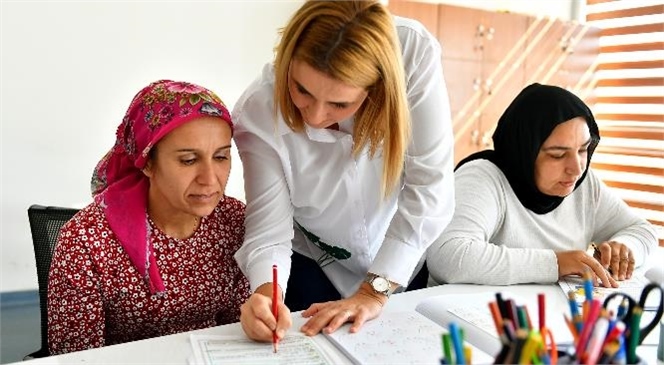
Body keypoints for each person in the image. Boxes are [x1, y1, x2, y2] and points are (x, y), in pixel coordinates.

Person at [233, 0, 454, 343]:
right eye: (301, 90)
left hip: (403, 251)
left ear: (377, 88)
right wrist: (266, 296)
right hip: (315, 261)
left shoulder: (413, 54)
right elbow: (269, 232)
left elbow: (430, 188)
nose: (315, 116)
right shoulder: (259, 109)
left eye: (340, 104)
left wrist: (374, 291)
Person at [47, 80, 250, 354]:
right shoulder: (86, 240)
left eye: (221, 157)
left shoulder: (236, 220)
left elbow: (238, 329)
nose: (210, 179)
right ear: (147, 163)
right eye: (189, 160)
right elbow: (76, 357)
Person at [426, 83, 657, 288]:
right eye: (557, 155)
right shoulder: (483, 177)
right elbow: (448, 256)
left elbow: (643, 231)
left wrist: (624, 249)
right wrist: (556, 263)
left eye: (583, 149)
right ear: (524, 151)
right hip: (462, 320)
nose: (576, 168)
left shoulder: (583, 184)